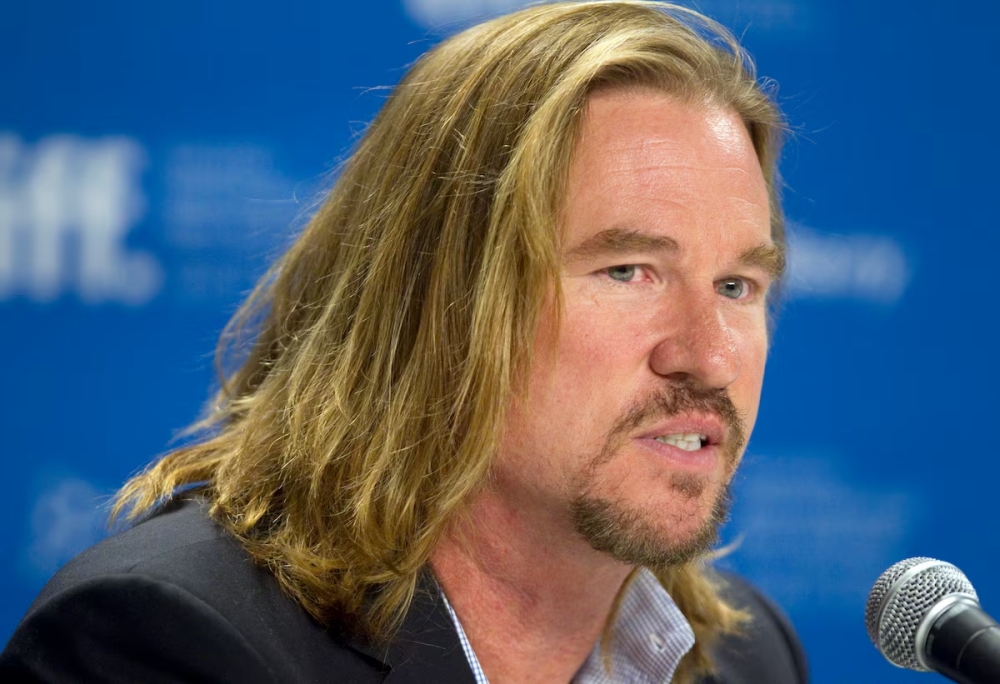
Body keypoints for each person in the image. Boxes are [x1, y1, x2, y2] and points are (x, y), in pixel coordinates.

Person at [1, 2, 808, 682]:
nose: (710, 358)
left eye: (737, 286)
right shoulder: (169, 642)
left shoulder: (753, 659)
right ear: (442, 301)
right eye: (628, 271)